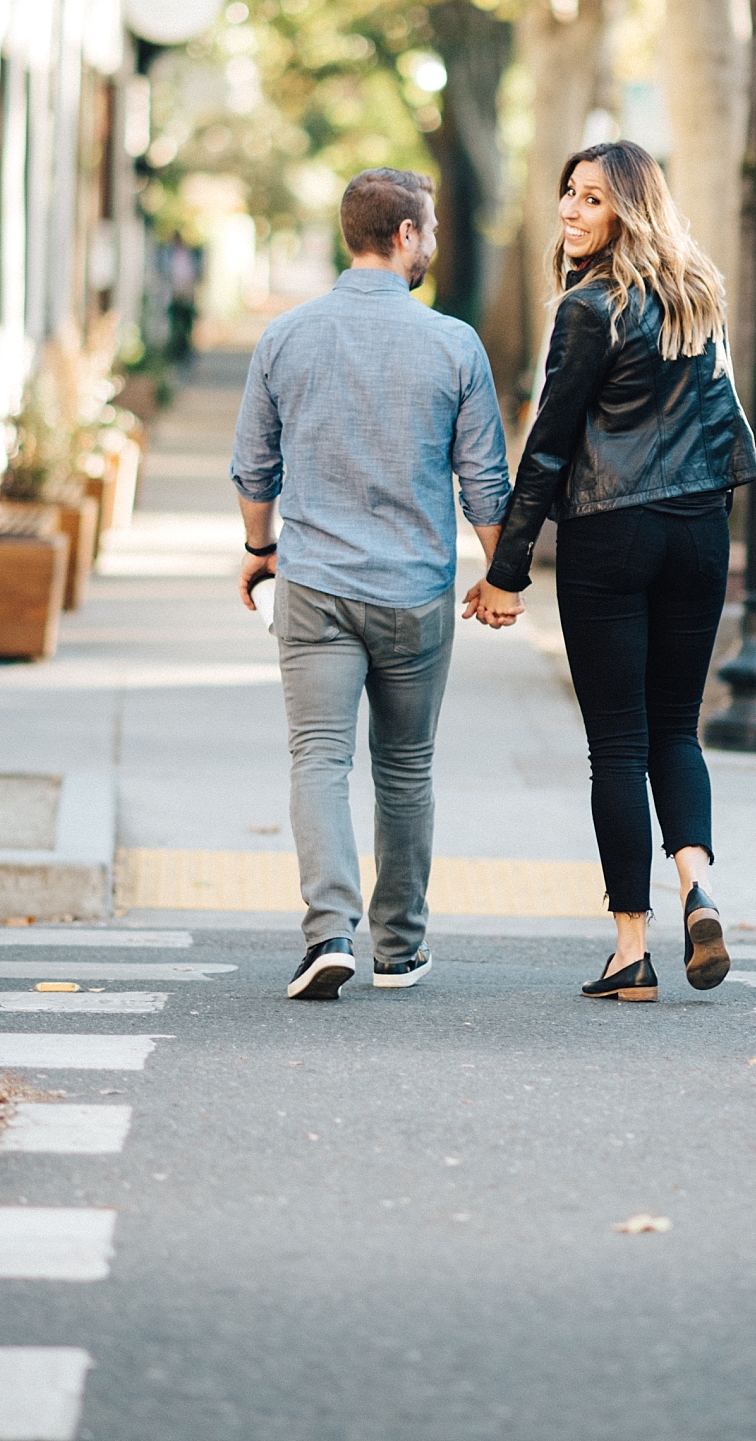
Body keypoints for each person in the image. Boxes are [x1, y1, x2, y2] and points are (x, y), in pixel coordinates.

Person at [465, 141, 756, 1002]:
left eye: (591, 199)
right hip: (699, 531)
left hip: (612, 534)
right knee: (678, 727)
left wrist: (506, 570)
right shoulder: (698, 297)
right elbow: (720, 423)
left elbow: (549, 445)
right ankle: (697, 889)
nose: (569, 210)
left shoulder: (590, 307)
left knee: (618, 747)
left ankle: (630, 950)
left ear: (627, 210)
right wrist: (704, 526)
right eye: (568, 194)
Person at [231, 168, 512, 1001]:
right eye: (428, 230)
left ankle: (328, 934)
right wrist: (500, 577)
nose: (432, 244)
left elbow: (254, 467)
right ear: (404, 236)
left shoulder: (285, 337)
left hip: (314, 582)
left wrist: (260, 546)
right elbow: (484, 485)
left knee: (318, 758)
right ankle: (399, 950)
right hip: (416, 591)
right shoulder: (454, 344)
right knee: (406, 767)